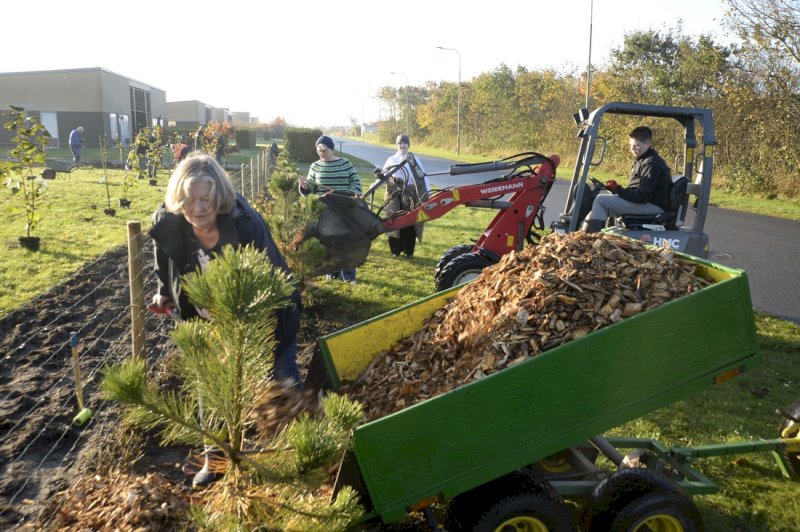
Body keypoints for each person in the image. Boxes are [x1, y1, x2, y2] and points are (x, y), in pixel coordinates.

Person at [582, 126, 671, 232]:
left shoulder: (652, 164)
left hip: (653, 205)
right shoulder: (642, 160)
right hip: (646, 201)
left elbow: (642, 196)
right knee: (602, 198)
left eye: (637, 145)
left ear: (648, 143)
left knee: (601, 201)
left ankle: (593, 238)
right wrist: (616, 190)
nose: (633, 149)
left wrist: (618, 190)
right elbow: (636, 190)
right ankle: (593, 233)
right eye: (631, 145)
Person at [299, 135, 362, 282]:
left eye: (324, 150)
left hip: (344, 208)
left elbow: (357, 185)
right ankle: (331, 273)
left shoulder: (346, 164)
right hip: (324, 211)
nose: (322, 153)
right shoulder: (315, 166)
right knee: (328, 243)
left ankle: (348, 276)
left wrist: (347, 195)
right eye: (319, 150)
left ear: (331, 148)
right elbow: (310, 190)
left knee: (346, 242)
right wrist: (304, 187)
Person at [380, 134, 430, 258]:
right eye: (400, 143)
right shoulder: (391, 160)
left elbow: (422, 177)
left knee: (409, 223)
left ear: (408, 145)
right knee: (393, 222)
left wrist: (427, 193)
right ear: (397, 145)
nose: (402, 145)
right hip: (394, 196)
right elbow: (383, 175)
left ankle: (409, 251)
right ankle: (395, 251)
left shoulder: (413, 159)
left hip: (410, 196)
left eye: (404, 143)